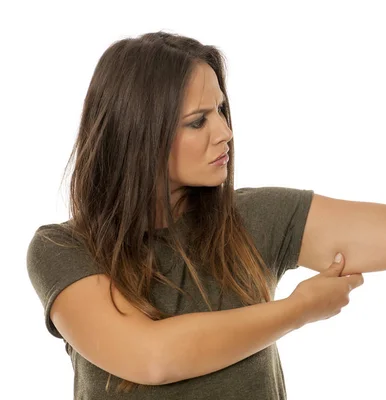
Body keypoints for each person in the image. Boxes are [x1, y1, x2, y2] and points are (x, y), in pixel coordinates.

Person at [26, 31, 363, 399]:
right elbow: (152, 357)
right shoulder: (63, 249)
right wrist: (298, 310)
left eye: (220, 110)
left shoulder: (256, 219)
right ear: (139, 135)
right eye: (197, 121)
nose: (226, 132)